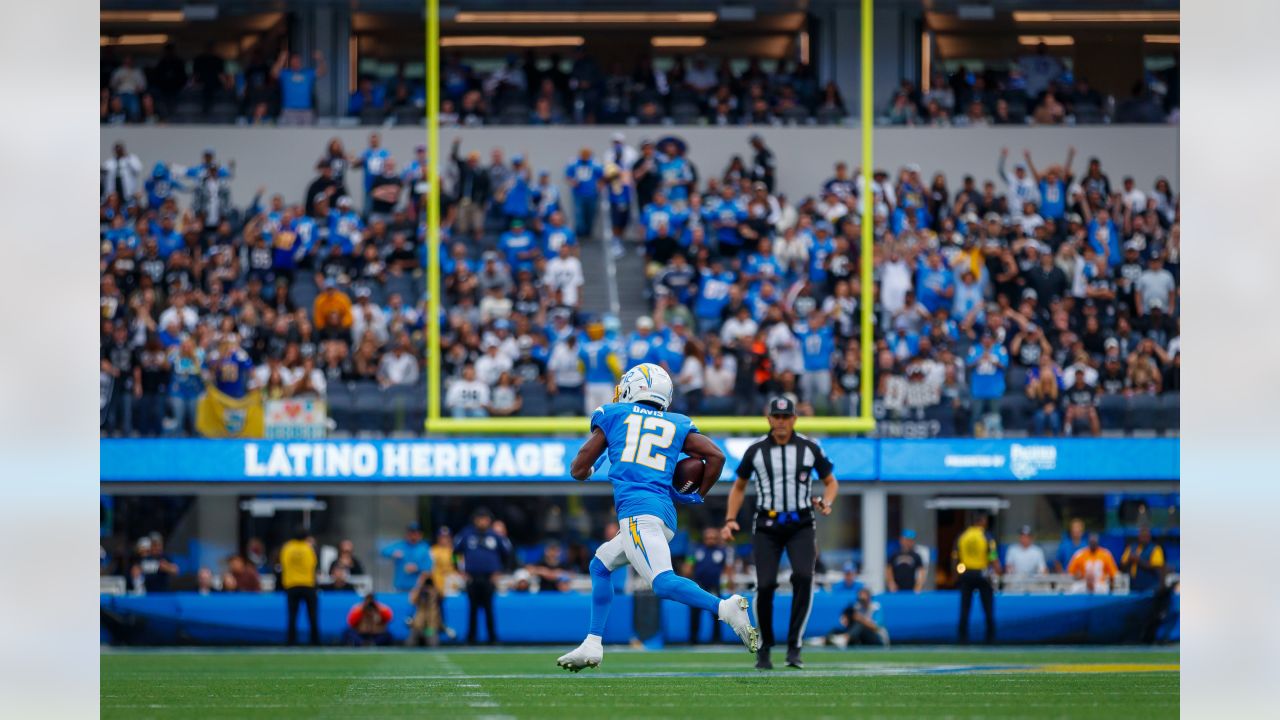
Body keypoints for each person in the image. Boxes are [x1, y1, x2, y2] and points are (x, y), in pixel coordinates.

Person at [556, 363, 758, 672]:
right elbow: (716, 456)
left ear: (633, 387)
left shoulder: (612, 413)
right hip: (664, 515)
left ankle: (724, 607)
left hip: (637, 513)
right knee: (600, 564)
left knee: (662, 583)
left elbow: (577, 470)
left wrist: (597, 464)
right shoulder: (676, 422)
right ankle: (592, 644)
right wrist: (696, 493)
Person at [722, 396, 839, 669]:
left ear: (795, 419)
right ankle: (765, 646)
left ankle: (794, 645)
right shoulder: (756, 451)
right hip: (767, 524)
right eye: (777, 416)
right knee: (765, 585)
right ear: (769, 419)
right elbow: (738, 486)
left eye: (786, 417)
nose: (781, 422)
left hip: (800, 523)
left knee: (803, 576)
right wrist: (730, 519)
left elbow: (830, 482)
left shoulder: (810, 449)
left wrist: (827, 502)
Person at [454, 508, 512, 644]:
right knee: (472, 609)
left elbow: (507, 555)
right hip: (472, 577)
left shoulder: (495, 536)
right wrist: (459, 570)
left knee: (489, 609)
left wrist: (500, 571)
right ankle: (471, 638)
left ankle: (492, 638)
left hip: (489, 578)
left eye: (485, 519)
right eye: (480, 519)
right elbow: (455, 553)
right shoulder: (467, 534)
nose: (482, 522)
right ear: (475, 520)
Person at [954, 513, 999, 644]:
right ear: (983, 522)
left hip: (966, 574)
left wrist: (956, 576)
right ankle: (990, 639)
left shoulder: (963, 536)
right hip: (982, 574)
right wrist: (997, 570)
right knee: (988, 608)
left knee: (964, 609)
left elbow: (956, 557)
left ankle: (962, 639)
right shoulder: (986, 536)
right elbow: (992, 556)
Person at [684, 527, 733, 644]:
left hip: (714, 585)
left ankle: (716, 639)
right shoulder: (696, 550)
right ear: (704, 538)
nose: (710, 540)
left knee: (717, 613)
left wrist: (730, 583)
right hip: (698, 586)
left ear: (717, 539)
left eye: (713, 538)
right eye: (708, 537)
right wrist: (687, 574)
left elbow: (728, 569)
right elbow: (688, 565)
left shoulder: (722, 551)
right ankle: (693, 639)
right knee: (695, 612)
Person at [280, 526, 319, 645]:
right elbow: (313, 564)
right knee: (312, 616)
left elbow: (283, 563)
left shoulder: (287, 548)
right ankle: (315, 642)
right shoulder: (309, 548)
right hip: (308, 585)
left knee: (292, 616)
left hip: (292, 585)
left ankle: (291, 642)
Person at [380, 523, 433, 592]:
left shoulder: (424, 548)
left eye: (415, 533)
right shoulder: (401, 545)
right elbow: (384, 551)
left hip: (417, 587)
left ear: (420, 535)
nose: (413, 536)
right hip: (400, 585)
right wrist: (393, 553)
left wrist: (417, 568)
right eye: (411, 533)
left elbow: (429, 567)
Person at [1120, 526, 1167, 593]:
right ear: (1138, 536)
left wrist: (1139, 561)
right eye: (1142, 535)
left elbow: (1157, 567)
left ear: (1149, 537)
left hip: (1150, 586)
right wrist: (1129, 560)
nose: (1143, 538)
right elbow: (1122, 564)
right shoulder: (1131, 548)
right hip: (1133, 586)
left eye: (1145, 536)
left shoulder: (1155, 549)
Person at [406, 571, 442, 647]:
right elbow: (412, 600)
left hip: (431, 624)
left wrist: (433, 586)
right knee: (410, 644)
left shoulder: (435, 591)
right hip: (418, 624)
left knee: (433, 644)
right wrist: (420, 587)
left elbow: (442, 596)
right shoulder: (418, 590)